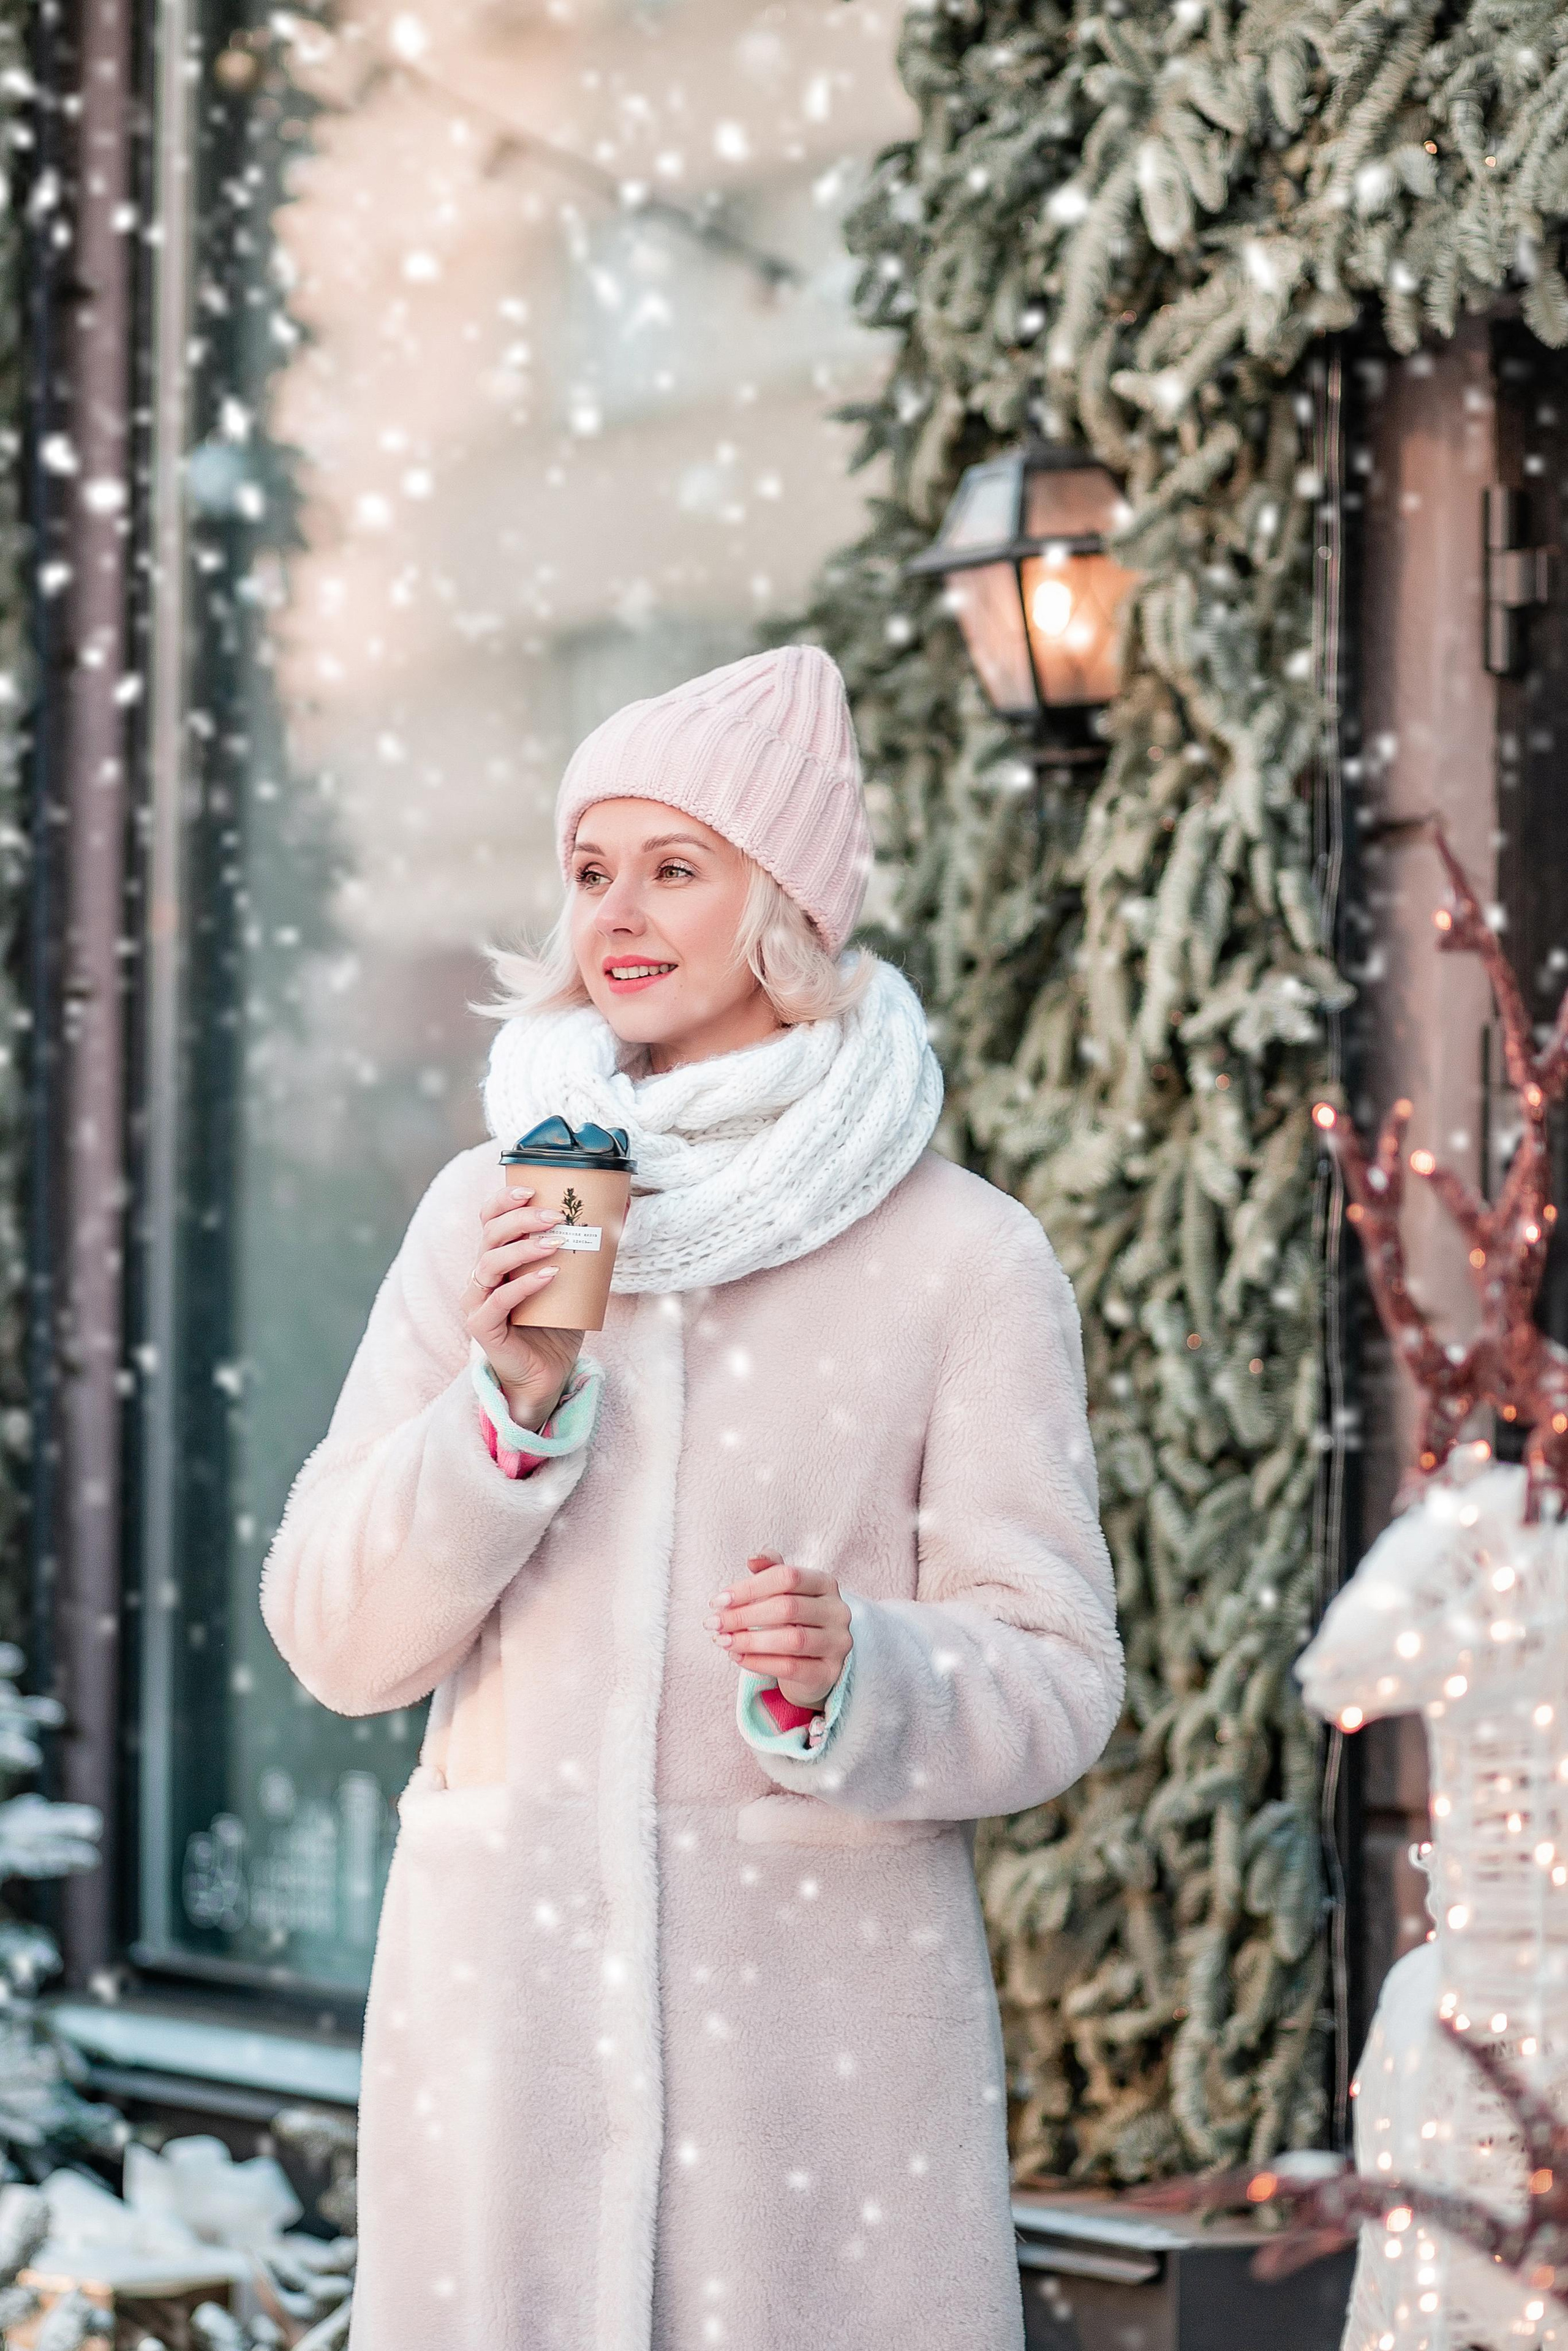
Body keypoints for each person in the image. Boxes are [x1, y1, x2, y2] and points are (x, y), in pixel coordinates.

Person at [260, 644, 1123, 2351]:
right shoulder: (486, 1217)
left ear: (784, 901)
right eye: (593, 871)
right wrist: (504, 1412)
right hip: (506, 2050)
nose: (618, 916)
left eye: (676, 868)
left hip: (813, 2089)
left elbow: (1057, 1672)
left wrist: (861, 1674)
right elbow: (333, 1639)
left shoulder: (962, 1258)